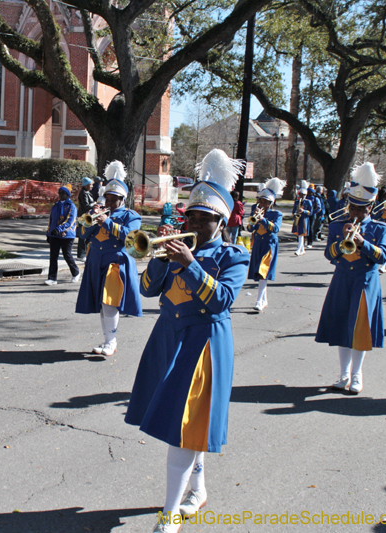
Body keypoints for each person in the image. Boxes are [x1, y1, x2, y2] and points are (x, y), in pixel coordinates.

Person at [125, 149, 249, 533]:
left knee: (183, 430)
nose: (194, 224)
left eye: (203, 219)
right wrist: (159, 258)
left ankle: (170, 515)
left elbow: (222, 300)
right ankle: (198, 490)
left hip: (203, 346)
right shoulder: (173, 252)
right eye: (190, 217)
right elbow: (147, 290)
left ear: (220, 222)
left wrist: (190, 264)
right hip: (168, 338)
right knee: (185, 425)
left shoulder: (233, 256)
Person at [316, 162, 386, 395]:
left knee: (359, 329)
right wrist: (342, 242)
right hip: (342, 280)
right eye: (353, 207)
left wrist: (362, 242)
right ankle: (343, 375)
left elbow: (382, 257)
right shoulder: (337, 226)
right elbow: (329, 254)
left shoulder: (380, 229)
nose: (356, 213)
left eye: (361, 209)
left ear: (371, 207)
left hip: (365, 282)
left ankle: (357, 375)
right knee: (341, 325)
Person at [75, 161, 142, 356]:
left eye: (114, 200)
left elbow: (130, 238)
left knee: (109, 302)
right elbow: (82, 234)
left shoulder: (131, 216)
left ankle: (111, 342)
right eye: (108, 199)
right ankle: (107, 340)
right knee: (102, 304)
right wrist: (91, 218)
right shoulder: (99, 212)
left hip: (116, 264)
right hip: (96, 262)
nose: (110, 203)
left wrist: (107, 222)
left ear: (122, 199)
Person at [246, 177, 285, 312]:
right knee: (259, 272)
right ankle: (264, 300)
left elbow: (276, 229)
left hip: (269, 244)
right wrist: (253, 221)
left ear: (270, 203)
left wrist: (262, 219)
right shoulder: (255, 210)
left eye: (265, 202)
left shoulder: (277, 214)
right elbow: (250, 229)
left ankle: (258, 301)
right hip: (258, 244)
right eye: (260, 201)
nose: (261, 204)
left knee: (263, 271)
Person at [44, 185, 80, 285]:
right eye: (59, 193)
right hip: (54, 235)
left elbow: (70, 221)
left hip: (67, 235)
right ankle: (52, 278)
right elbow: (51, 220)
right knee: (53, 257)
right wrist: (49, 233)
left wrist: (59, 229)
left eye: (63, 193)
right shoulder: (55, 205)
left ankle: (76, 273)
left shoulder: (71, 206)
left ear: (67, 195)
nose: (60, 195)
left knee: (67, 255)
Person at [76, 177, 95, 260]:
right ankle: (81, 254)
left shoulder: (87, 192)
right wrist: (94, 204)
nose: (92, 186)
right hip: (83, 217)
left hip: (87, 216)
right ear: (86, 185)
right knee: (83, 235)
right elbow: (86, 206)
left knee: (87, 235)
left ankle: (86, 252)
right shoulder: (83, 193)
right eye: (90, 185)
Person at [292, 181, 312, 255]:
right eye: (301, 195)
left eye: (304, 195)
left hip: (304, 220)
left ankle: (298, 250)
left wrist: (304, 211)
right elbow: (293, 210)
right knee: (299, 235)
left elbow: (310, 212)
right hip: (298, 219)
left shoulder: (308, 202)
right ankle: (302, 250)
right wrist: (295, 214)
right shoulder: (297, 202)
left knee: (301, 235)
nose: (302, 196)